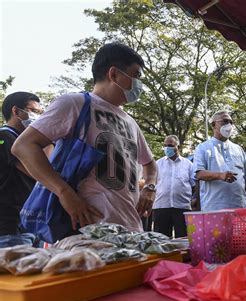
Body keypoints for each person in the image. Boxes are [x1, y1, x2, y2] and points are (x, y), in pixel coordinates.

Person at [12, 42, 157, 233]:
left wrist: (150, 187)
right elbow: (24, 146)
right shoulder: (75, 103)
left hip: (131, 228)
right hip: (89, 229)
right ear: (113, 74)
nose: (139, 84)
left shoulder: (131, 122)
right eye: (136, 75)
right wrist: (64, 192)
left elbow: (150, 164)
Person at [0, 92, 43, 247]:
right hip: (10, 226)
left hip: (30, 223)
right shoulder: (5, 136)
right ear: (16, 111)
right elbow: (38, 172)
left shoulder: (24, 140)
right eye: (33, 111)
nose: (38, 117)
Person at [193, 110, 246, 211]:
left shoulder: (238, 149)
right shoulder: (203, 148)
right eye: (225, 121)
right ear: (214, 125)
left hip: (240, 207)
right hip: (214, 208)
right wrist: (220, 175)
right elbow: (199, 174)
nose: (229, 125)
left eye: (231, 122)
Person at [152, 135, 195, 237]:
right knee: (161, 240)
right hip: (161, 207)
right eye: (165, 145)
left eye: (170, 145)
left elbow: (194, 186)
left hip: (182, 207)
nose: (167, 148)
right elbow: (152, 185)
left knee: (183, 238)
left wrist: (194, 200)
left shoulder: (188, 165)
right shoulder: (157, 164)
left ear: (178, 147)